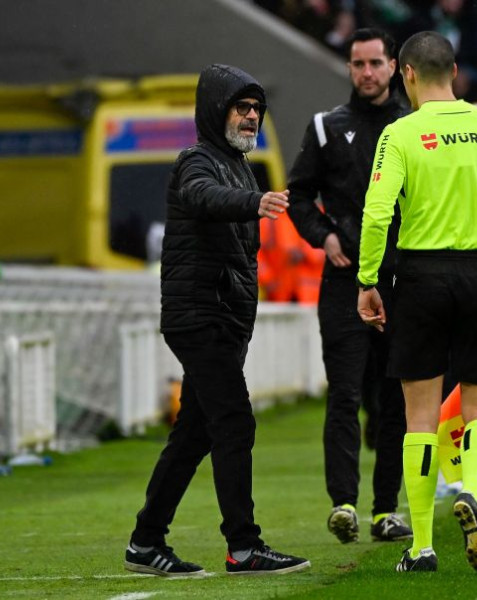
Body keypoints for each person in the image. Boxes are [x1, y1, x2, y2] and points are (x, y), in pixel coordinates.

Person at [356, 31, 477, 573]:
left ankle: (421, 547)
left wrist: (368, 279)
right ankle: (473, 493)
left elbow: (375, 212)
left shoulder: (400, 133)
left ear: (405, 74)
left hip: (421, 277)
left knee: (419, 416)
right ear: (454, 71)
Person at [124, 64, 310, 576]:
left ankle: (145, 542)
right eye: (241, 108)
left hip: (219, 319)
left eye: (256, 110)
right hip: (199, 316)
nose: (250, 117)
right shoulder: (197, 163)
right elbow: (205, 199)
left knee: (195, 433)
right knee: (234, 420)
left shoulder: (238, 165)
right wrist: (254, 202)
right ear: (215, 110)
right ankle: (244, 547)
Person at [286, 28, 412, 544]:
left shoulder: (414, 126)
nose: (366, 73)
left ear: (394, 67)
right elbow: (298, 196)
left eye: (375, 63)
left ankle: (386, 509)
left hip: (402, 281)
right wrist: (325, 235)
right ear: (350, 68)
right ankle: (344, 504)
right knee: (344, 394)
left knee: (395, 398)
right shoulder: (325, 128)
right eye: (358, 64)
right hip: (343, 281)